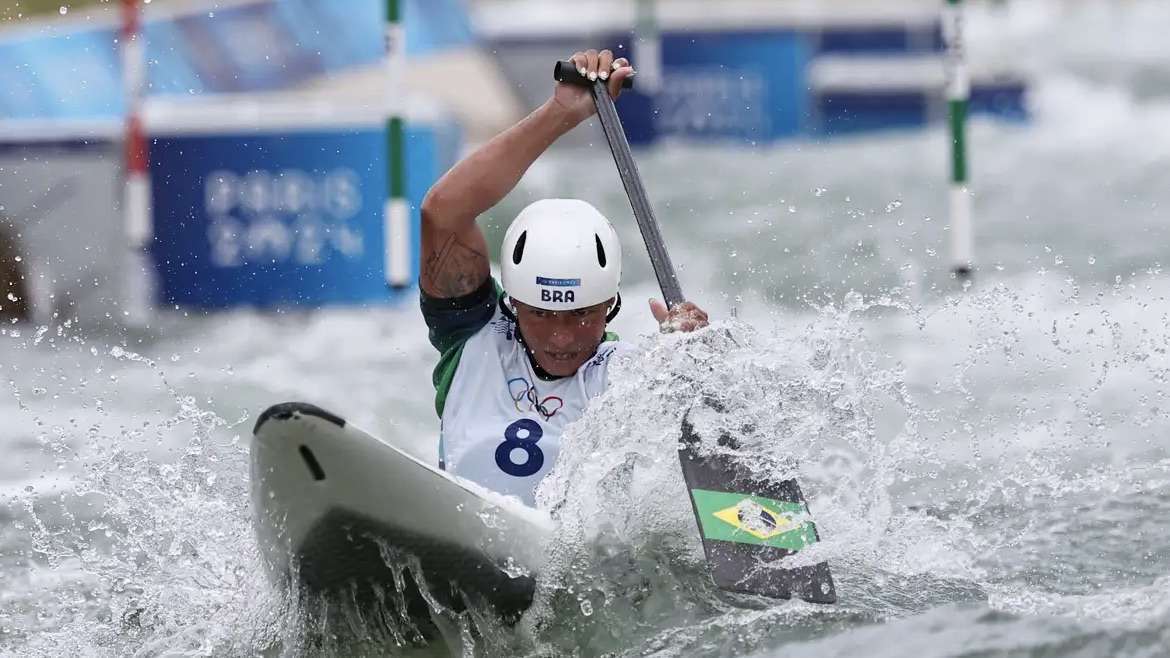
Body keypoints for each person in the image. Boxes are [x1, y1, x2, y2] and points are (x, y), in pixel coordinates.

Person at [418, 49, 709, 505]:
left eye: (581, 315)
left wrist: (697, 362)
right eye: (541, 314)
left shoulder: (631, 377)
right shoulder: (471, 335)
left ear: (610, 304)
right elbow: (443, 211)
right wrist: (561, 113)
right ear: (514, 302)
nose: (561, 337)